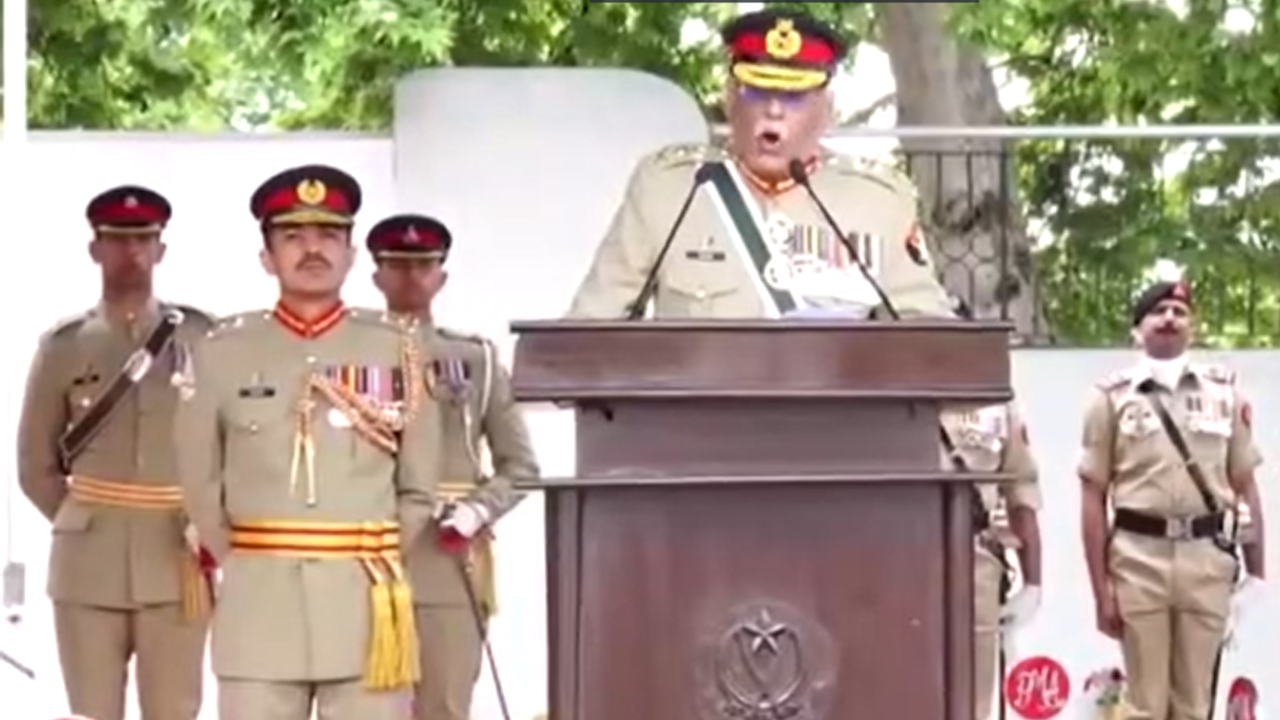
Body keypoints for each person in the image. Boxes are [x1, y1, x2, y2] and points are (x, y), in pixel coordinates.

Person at [174, 165, 444, 720]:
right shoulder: (223, 350)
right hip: (259, 610)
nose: (312, 249)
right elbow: (199, 481)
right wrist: (249, 558)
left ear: (351, 255)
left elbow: (419, 485)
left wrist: (371, 550)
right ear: (266, 258)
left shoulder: (398, 348)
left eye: (328, 236)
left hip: (367, 611)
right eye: (293, 237)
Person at [566, 7, 953, 320]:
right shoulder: (668, 189)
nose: (773, 110)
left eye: (793, 96)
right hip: (699, 396)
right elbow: (590, 329)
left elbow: (928, 335)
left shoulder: (879, 201)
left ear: (828, 110)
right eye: (757, 90)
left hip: (831, 398)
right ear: (729, 97)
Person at [16, 185, 215, 720]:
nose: (132, 252)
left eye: (144, 239)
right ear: (94, 249)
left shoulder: (202, 338)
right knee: (90, 712)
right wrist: (84, 518)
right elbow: (34, 465)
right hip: (88, 567)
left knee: (174, 710)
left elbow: (230, 445)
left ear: (161, 250)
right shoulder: (64, 346)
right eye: (118, 239)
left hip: (176, 559)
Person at [366, 213, 539, 720]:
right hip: (365, 551)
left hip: (446, 553)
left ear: (441, 276)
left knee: (443, 703)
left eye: (424, 265)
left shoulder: (474, 359)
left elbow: (520, 466)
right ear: (376, 275)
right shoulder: (350, 357)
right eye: (398, 265)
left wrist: (477, 510)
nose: (411, 276)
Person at [1078, 279, 1267, 720]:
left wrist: (1257, 572)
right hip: (1137, 561)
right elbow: (1092, 496)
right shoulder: (1110, 398)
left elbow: (1244, 483)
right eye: (1158, 311)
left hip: (1207, 563)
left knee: (1194, 704)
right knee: (1145, 704)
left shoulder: (1225, 395)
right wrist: (1101, 590)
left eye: (1179, 312)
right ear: (1137, 330)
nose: (1169, 319)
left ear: (1192, 327)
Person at [942, 297, 1043, 720]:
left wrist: (1033, 582)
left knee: (974, 696)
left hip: (975, 565)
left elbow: (1021, 490)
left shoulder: (997, 407)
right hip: (902, 561)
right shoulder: (886, 398)